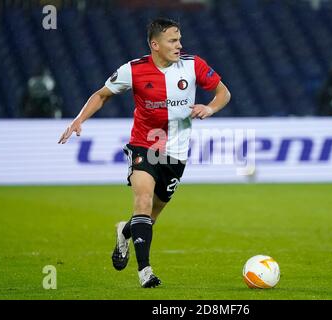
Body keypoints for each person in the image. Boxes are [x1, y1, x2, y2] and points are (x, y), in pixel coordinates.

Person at [58, 18, 231, 288]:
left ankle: (123, 231)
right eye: (172, 41)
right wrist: (79, 119)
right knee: (143, 201)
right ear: (155, 44)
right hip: (145, 144)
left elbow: (223, 93)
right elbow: (102, 94)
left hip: (177, 152)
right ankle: (145, 271)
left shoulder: (193, 65)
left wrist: (210, 108)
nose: (179, 45)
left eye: (180, 39)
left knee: (152, 213)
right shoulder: (133, 70)